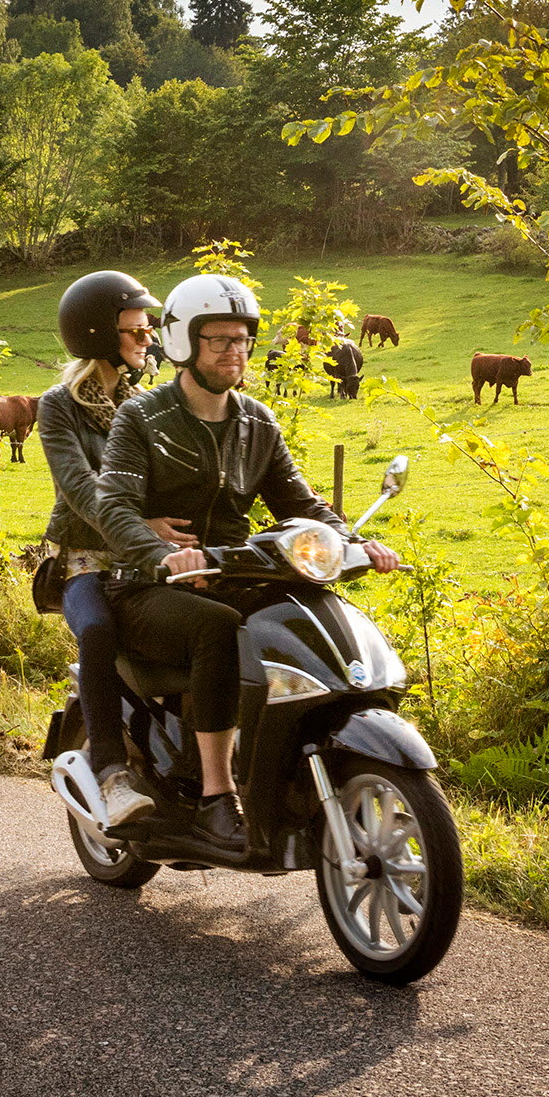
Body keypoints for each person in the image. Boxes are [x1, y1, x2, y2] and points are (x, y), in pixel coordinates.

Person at [95, 271, 399, 856]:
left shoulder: (257, 421)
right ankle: (217, 798)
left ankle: (287, 763)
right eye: (219, 340)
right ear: (184, 342)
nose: (234, 351)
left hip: (232, 572)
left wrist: (355, 543)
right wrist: (164, 555)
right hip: (145, 586)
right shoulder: (143, 418)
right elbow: (114, 505)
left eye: (241, 340)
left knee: (306, 609)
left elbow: (301, 503)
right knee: (217, 628)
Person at [35, 270, 186, 832]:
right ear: (99, 334)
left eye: (149, 330)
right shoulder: (58, 407)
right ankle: (110, 775)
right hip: (88, 561)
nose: (148, 339)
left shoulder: (145, 405)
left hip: (146, 560)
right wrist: (138, 523)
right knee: (97, 631)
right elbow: (78, 487)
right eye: (136, 330)